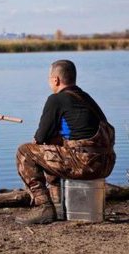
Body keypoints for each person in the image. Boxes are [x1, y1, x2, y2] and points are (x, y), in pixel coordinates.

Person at [15, 59, 116, 225]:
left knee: (25, 152)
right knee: (52, 146)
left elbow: (39, 138)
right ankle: (58, 205)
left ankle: (44, 207)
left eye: (49, 78)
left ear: (56, 80)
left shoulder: (56, 99)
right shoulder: (86, 98)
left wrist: (40, 143)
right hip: (105, 164)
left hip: (85, 164)